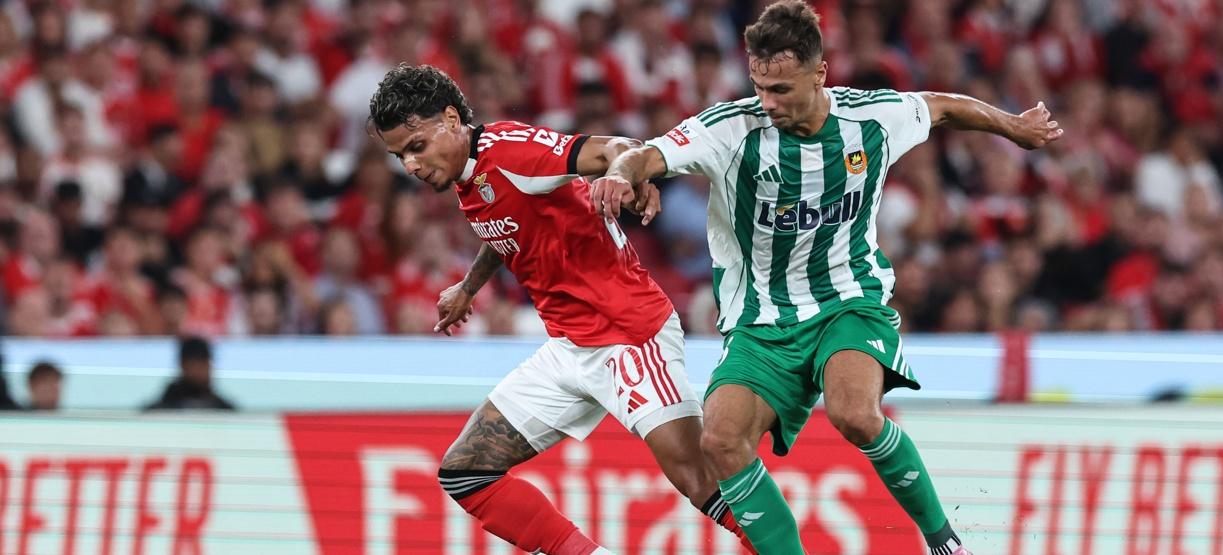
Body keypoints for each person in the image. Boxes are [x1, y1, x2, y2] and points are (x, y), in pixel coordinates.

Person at [592, 2, 1064, 553]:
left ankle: (944, 540)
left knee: (855, 414)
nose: (768, 103)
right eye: (760, 87)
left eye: (783, 90)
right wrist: (621, 175)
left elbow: (940, 108)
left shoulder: (871, 118)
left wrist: (1012, 126)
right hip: (760, 321)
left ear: (820, 74)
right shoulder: (729, 129)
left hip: (847, 300)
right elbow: (648, 155)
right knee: (719, 439)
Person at [368, 64, 753, 555]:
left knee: (703, 481)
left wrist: (620, 174)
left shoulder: (512, 151)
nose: (411, 166)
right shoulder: (471, 175)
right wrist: (468, 288)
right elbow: (510, 228)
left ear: (449, 118)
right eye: (400, 155)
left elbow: (615, 149)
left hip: (628, 336)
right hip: (569, 348)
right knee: (466, 472)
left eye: (416, 146)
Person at [144, 335, 236, 410]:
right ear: (183, 365)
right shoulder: (163, 409)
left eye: (206, 365)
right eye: (197, 364)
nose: (202, 371)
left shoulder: (222, 409)